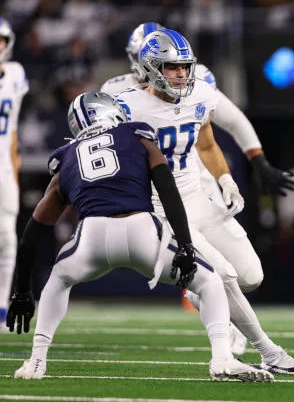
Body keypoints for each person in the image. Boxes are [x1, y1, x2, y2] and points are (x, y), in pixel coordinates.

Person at [6, 91, 273, 382]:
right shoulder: (136, 134)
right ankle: (222, 358)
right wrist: (185, 245)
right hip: (140, 230)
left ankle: (36, 361)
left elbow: (33, 232)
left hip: (92, 237)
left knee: (58, 280)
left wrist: (21, 292)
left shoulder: (67, 156)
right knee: (210, 281)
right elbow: (167, 188)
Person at [102, 22, 294, 356]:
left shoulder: (201, 91)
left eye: (183, 66)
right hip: (161, 206)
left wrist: (226, 180)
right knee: (223, 277)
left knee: (251, 276)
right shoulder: (122, 102)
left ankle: (197, 291)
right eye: (170, 67)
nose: (179, 74)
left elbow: (208, 144)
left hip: (197, 195)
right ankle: (269, 352)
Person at [0, 17, 29, 330]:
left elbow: (15, 128)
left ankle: (1, 308)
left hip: (4, 166)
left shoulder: (16, 74)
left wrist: (14, 164)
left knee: (8, 238)